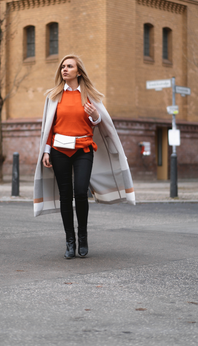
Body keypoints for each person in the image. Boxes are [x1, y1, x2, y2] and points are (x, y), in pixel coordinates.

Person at [33, 55, 135, 259]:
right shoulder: (54, 96)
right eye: (63, 66)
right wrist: (46, 150)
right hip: (59, 150)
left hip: (83, 149)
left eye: (69, 66)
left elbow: (99, 123)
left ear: (78, 72)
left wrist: (95, 115)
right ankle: (70, 241)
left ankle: (83, 236)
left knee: (80, 191)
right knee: (65, 195)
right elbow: (48, 127)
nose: (65, 69)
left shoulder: (90, 95)